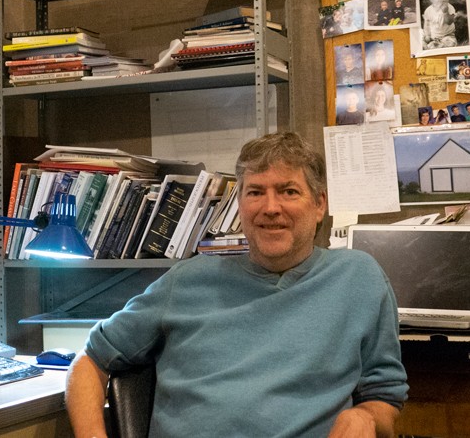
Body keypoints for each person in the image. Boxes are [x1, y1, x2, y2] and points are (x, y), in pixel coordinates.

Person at [65, 133, 408, 438]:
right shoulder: (187, 280)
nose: (270, 208)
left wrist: (366, 416)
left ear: (319, 204)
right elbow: (89, 361)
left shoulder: (358, 279)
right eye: (255, 192)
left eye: (288, 191)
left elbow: (385, 395)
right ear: (240, 205)